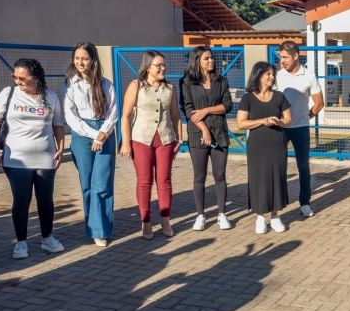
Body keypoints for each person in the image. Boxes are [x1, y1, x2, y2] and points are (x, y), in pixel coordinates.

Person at [0, 59, 66, 259]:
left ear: (37, 78)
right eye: (15, 76)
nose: (18, 81)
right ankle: (21, 242)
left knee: (45, 200)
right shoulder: (9, 94)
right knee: (21, 200)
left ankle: (47, 238)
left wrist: (62, 148)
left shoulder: (50, 97)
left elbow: (58, 126)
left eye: (22, 78)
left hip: (45, 156)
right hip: (17, 158)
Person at [120, 51, 182, 240]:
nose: (163, 68)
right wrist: (126, 142)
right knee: (144, 181)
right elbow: (126, 116)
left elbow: (175, 115)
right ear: (148, 67)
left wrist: (179, 138)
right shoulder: (136, 86)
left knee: (164, 180)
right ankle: (146, 221)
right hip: (141, 139)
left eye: (164, 65)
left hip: (165, 139)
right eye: (158, 65)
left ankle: (165, 219)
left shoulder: (170, 88)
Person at [63, 42, 117, 247]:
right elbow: (70, 115)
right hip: (82, 135)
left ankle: (102, 230)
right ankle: (93, 228)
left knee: (101, 184)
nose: (80, 62)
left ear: (93, 59)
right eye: (77, 58)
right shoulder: (70, 84)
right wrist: (95, 135)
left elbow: (113, 111)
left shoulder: (106, 84)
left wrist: (103, 134)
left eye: (84, 58)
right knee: (87, 185)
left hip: (105, 131)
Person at [179, 46, 232, 231]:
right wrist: (204, 130)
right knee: (199, 177)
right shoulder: (187, 82)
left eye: (212, 58)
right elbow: (188, 109)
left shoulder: (221, 81)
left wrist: (207, 110)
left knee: (219, 175)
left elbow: (227, 105)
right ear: (197, 61)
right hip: (198, 135)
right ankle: (200, 215)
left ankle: (221, 215)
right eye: (206, 58)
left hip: (220, 133)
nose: (211, 61)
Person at [236, 62, 292, 234]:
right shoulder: (248, 98)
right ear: (258, 75)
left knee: (277, 178)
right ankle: (260, 216)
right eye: (267, 74)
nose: (271, 77)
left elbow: (289, 120)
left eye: (273, 74)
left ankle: (275, 216)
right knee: (259, 179)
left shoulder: (279, 96)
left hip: (277, 144)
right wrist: (262, 121)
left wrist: (277, 121)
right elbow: (240, 124)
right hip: (257, 146)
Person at [276, 41, 323, 217]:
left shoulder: (309, 76)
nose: (282, 61)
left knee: (303, 167)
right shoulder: (278, 76)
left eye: (285, 57)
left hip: (301, 128)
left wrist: (306, 117)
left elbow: (319, 103)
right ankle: (278, 201)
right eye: (281, 57)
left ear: (296, 56)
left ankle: (305, 203)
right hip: (280, 127)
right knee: (278, 166)